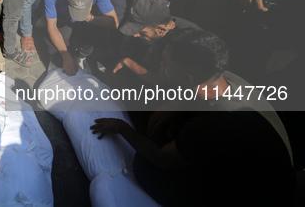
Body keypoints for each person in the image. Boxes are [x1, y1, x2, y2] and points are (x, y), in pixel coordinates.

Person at [91, 29, 294, 206]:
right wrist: (173, 106)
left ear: (187, 77)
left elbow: (161, 159)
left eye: (165, 63)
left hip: (251, 196)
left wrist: (121, 128)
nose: (161, 66)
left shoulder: (214, 124)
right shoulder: (227, 78)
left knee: (144, 166)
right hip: (270, 172)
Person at [44, 0, 118, 76]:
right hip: (62, 21)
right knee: (59, 61)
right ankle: (69, 52)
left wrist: (89, 18)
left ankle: (82, 55)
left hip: (87, 20)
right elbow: (52, 26)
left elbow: (114, 23)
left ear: (91, 0)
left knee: (100, 32)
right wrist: (66, 57)